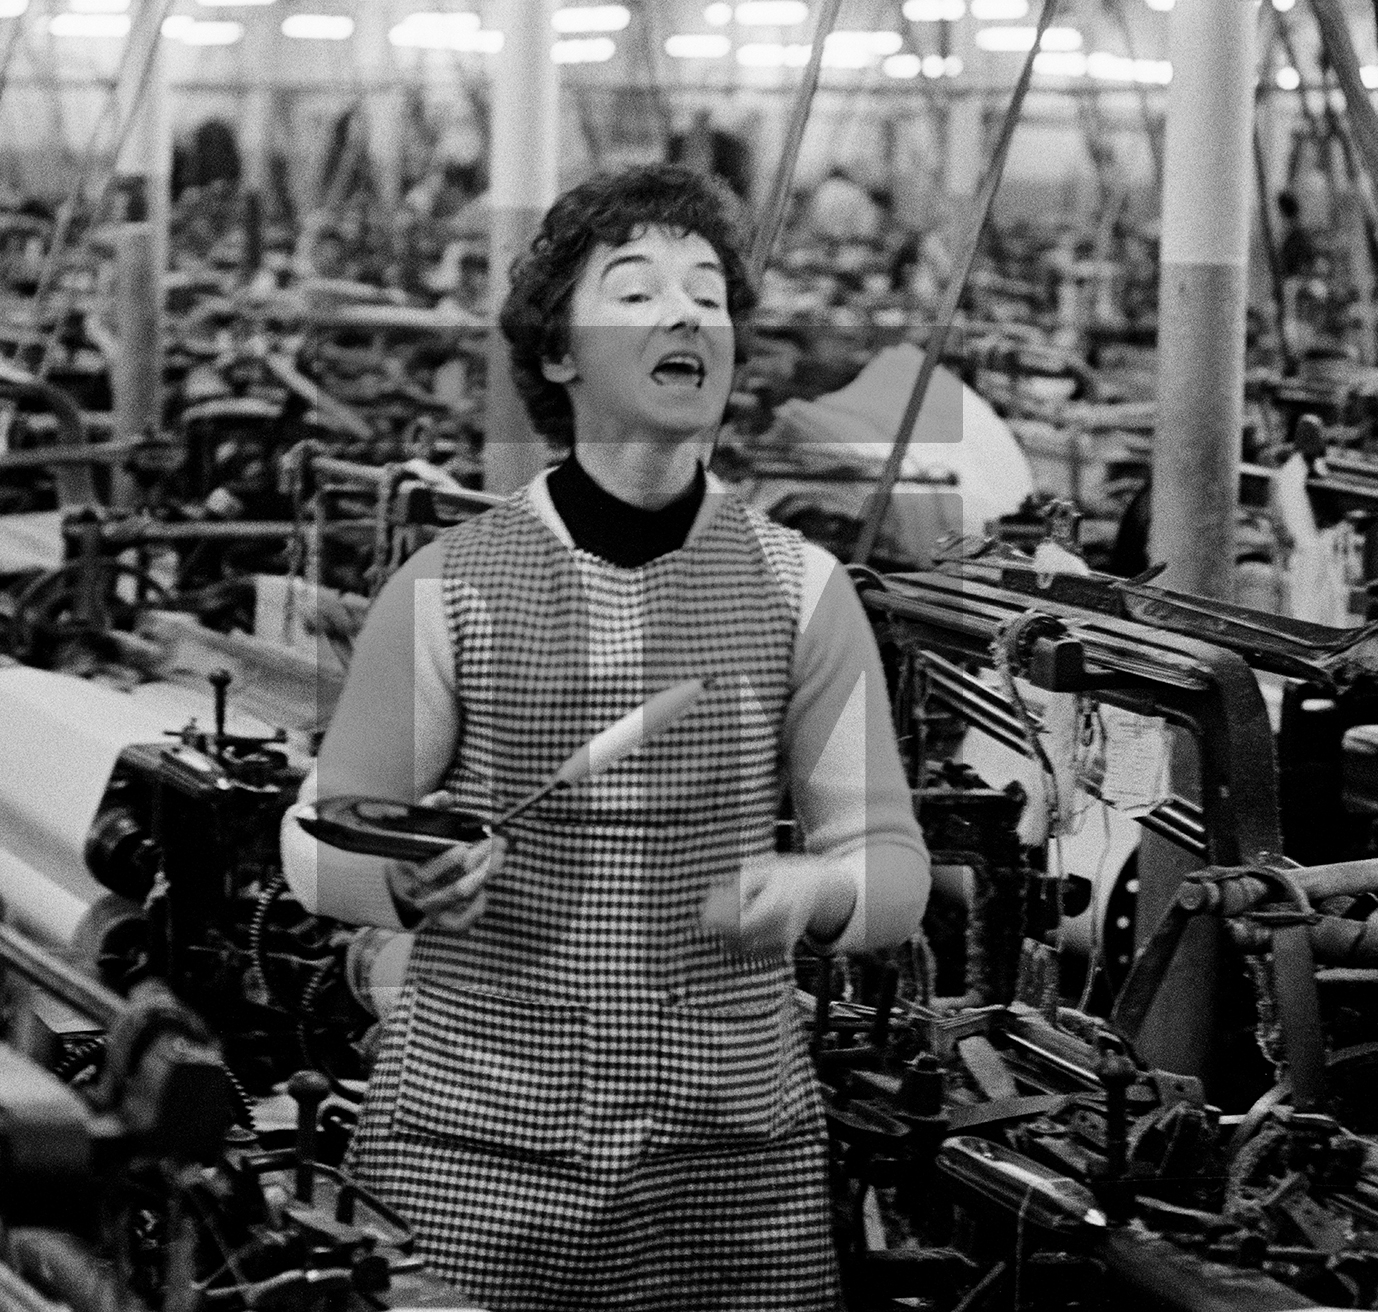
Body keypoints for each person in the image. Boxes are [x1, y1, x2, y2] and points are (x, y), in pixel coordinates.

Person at [280, 163, 930, 1311]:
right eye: (636, 291)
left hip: (727, 1169)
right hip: (479, 1157)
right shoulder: (451, 590)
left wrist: (816, 892)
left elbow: (893, 865)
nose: (687, 313)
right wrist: (404, 881)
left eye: (709, 294)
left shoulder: (801, 590)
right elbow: (319, 840)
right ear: (557, 355)